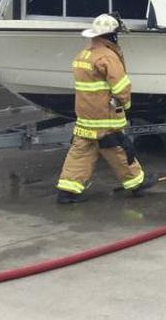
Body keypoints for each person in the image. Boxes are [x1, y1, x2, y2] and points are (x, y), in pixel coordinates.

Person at [56, 13, 156, 204]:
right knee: (118, 149)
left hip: (85, 116)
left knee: (81, 152)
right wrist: (126, 105)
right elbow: (120, 87)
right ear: (112, 35)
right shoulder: (108, 56)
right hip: (105, 116)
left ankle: (67, 191)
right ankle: (136, 183)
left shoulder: (83, 55)